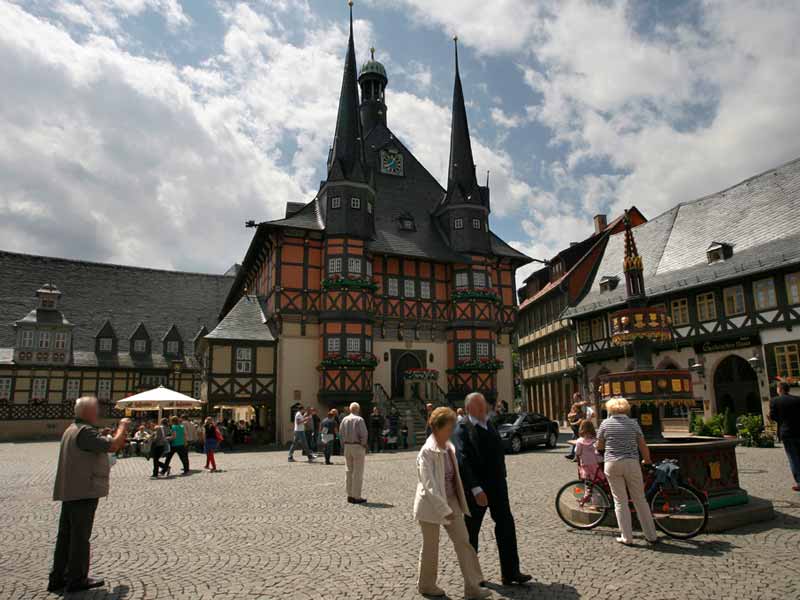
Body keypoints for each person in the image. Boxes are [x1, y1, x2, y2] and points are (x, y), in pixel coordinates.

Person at [49, 397, 130, 594]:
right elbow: (113, 445)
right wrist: (122, 426)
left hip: (71, 489)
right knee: (79, 537)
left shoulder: (71, 429)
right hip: (83, 490)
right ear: (88, 412)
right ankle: (77, 579)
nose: (98, 413)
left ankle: (58, 577)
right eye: (96, 410)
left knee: (66, 536)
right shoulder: (85, 431)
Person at [454, 392, 531, 586]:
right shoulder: (462, 428)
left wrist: (502, 475)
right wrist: (475, 488)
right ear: (469, 408)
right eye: (479, 406)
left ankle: (510, 572)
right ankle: (473, 577)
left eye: (484, 405)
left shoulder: (489, 423)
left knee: (506, 525)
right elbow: (462, 461)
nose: (484, 408)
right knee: (471, 532)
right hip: (477, 489)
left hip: (497, 485)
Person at [414, 407, 491, 600]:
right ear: (437, 428)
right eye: (449, 428)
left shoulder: (449, 446)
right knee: (431, 547)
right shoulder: (426, 452)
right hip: (430, 505)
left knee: (464, 543)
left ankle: (473, 587)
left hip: (452, 502)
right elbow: (429, 485)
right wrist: (443, 509)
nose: (452, 431)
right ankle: (426, 584)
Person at [596, 397, 658, 546]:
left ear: (610, 409)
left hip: (612, 464)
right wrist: (647, 460)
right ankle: (651, 535)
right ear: (626, 409)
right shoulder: (633, 423)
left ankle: (627, 537)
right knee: (640, 499)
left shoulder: (605, 424)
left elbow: (600, 446)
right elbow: (642, 445)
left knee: (620, 501)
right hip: (631, 463)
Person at [770, 381, 800, 491]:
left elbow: (773, 417)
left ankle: (799, 482)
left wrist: (781, 420)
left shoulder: (775, 401)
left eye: (777, 388)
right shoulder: (798, 399)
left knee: (793, 457)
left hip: (787, 433)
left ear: (780, 389)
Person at [339, 402, 368, 503]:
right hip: (357, 446)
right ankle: (356, 496)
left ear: (350, 409)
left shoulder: (344, 419)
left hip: (347, 446)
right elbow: (364, 434)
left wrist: (343, 445)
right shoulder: (359, 419)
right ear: (358, 409)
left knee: (348, 471)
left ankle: (350, 494)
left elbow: (341, 433)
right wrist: (364, 445)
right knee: (358, 472)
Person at [565, 395, 584, 460]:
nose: (574, 399)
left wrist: (572, 423)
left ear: (579, 398)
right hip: (575, 427)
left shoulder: (581, 405)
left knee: (578, 441)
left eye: (575, 398)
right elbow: (569, 414)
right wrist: (570, 417)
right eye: (574, 398)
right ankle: (573, 454)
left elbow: (581, 419)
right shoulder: (575, 406)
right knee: (574, 439)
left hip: (580, 427)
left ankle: (576, 456)